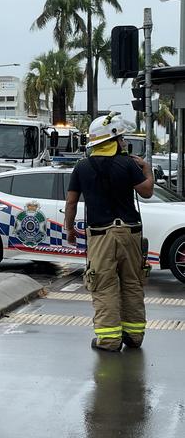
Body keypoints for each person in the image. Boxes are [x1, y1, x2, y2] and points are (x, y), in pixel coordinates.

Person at [64, 112, 153, 352]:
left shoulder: (82, 167)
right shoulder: (128, 164)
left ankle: (109, 340)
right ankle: (134, 337)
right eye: (122, 139)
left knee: (103, 285)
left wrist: (70, 228)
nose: (124, 143)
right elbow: (146, 192)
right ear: (113, 139)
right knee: (132, 283)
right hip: (130, 233)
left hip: (101, 235)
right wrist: (147, 169)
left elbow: (71, 202)